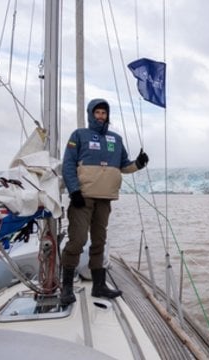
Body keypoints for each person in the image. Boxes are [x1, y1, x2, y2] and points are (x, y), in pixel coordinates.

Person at [60, 98, 148, 305]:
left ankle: (99, 286)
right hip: (83, 198)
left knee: (99, 242)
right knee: (78, 240)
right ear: (91, 114)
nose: (101, 116)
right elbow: (68, 164)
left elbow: (124, 166)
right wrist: (74, 191)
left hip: (105, 199)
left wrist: (138, 164)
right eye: (97, 112)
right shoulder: (79, 135)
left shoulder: (115, 139)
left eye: (104, 113)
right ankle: (66, 287)